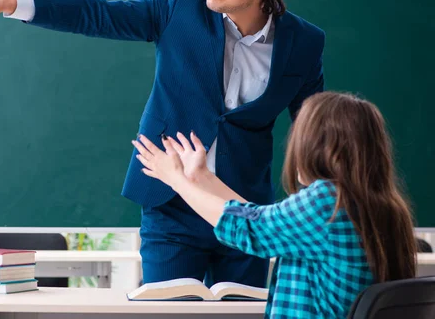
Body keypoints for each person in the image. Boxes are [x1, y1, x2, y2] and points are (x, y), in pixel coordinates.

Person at [0, 0, 325, 287]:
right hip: (171, 208)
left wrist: (322, 207)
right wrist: (6, 1)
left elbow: (313, 133)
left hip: (245, 211)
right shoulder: (182, 6)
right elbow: (98, 15)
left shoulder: (303, 42)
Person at [132, 91, 417, 318]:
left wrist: (176, 180)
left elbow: (248, 228)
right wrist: (201, 177)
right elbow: (261, 219)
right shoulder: (386, 208)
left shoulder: (327, 201)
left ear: (317, 146)